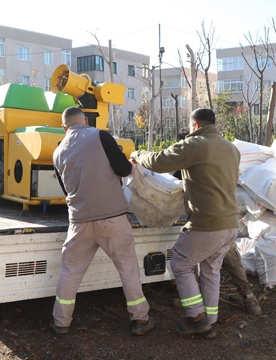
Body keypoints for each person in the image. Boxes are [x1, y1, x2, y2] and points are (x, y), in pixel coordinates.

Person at [131, 108, 240, 339]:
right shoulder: (231, 148)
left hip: (207, 223)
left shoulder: (195, 144)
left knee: (180, 264)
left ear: (196, 125)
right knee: (211, 271)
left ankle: (196, 318)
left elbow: (159, 162)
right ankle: (209, 321)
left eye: (190, 127)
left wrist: (137, 154)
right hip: (230, 222)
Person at [49, 106, 154, 336]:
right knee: (128, 269)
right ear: (85, 120)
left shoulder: (57, 152)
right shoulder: (100, 135)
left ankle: (60, 322)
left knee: (70, 271)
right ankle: (140, 319)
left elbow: (65, 189)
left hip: (79, 221)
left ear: (63, 127)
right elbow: (123, 169)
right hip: (112, 218)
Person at [173, 128, 261, 316]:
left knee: (188, 263)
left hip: (209, 224)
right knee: (225, 263)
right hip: (227, 221)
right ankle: (249, 298)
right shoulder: (224, 158)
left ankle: (196, 309)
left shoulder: (192, 162)